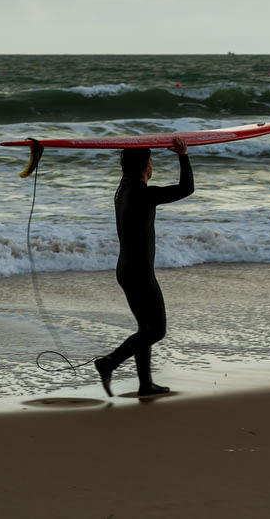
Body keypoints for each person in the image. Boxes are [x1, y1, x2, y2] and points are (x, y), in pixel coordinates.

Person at [94, 136, 194, 397]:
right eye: (151, 161)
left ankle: (145, 384)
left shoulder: (123, 189)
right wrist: (182, 155)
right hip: (138, 273)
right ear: (146, 166)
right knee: (157, 330)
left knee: (145, 330)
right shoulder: (142, 194)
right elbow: (186, 189)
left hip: (126, 269)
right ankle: (109, 362)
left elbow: (135, 164)